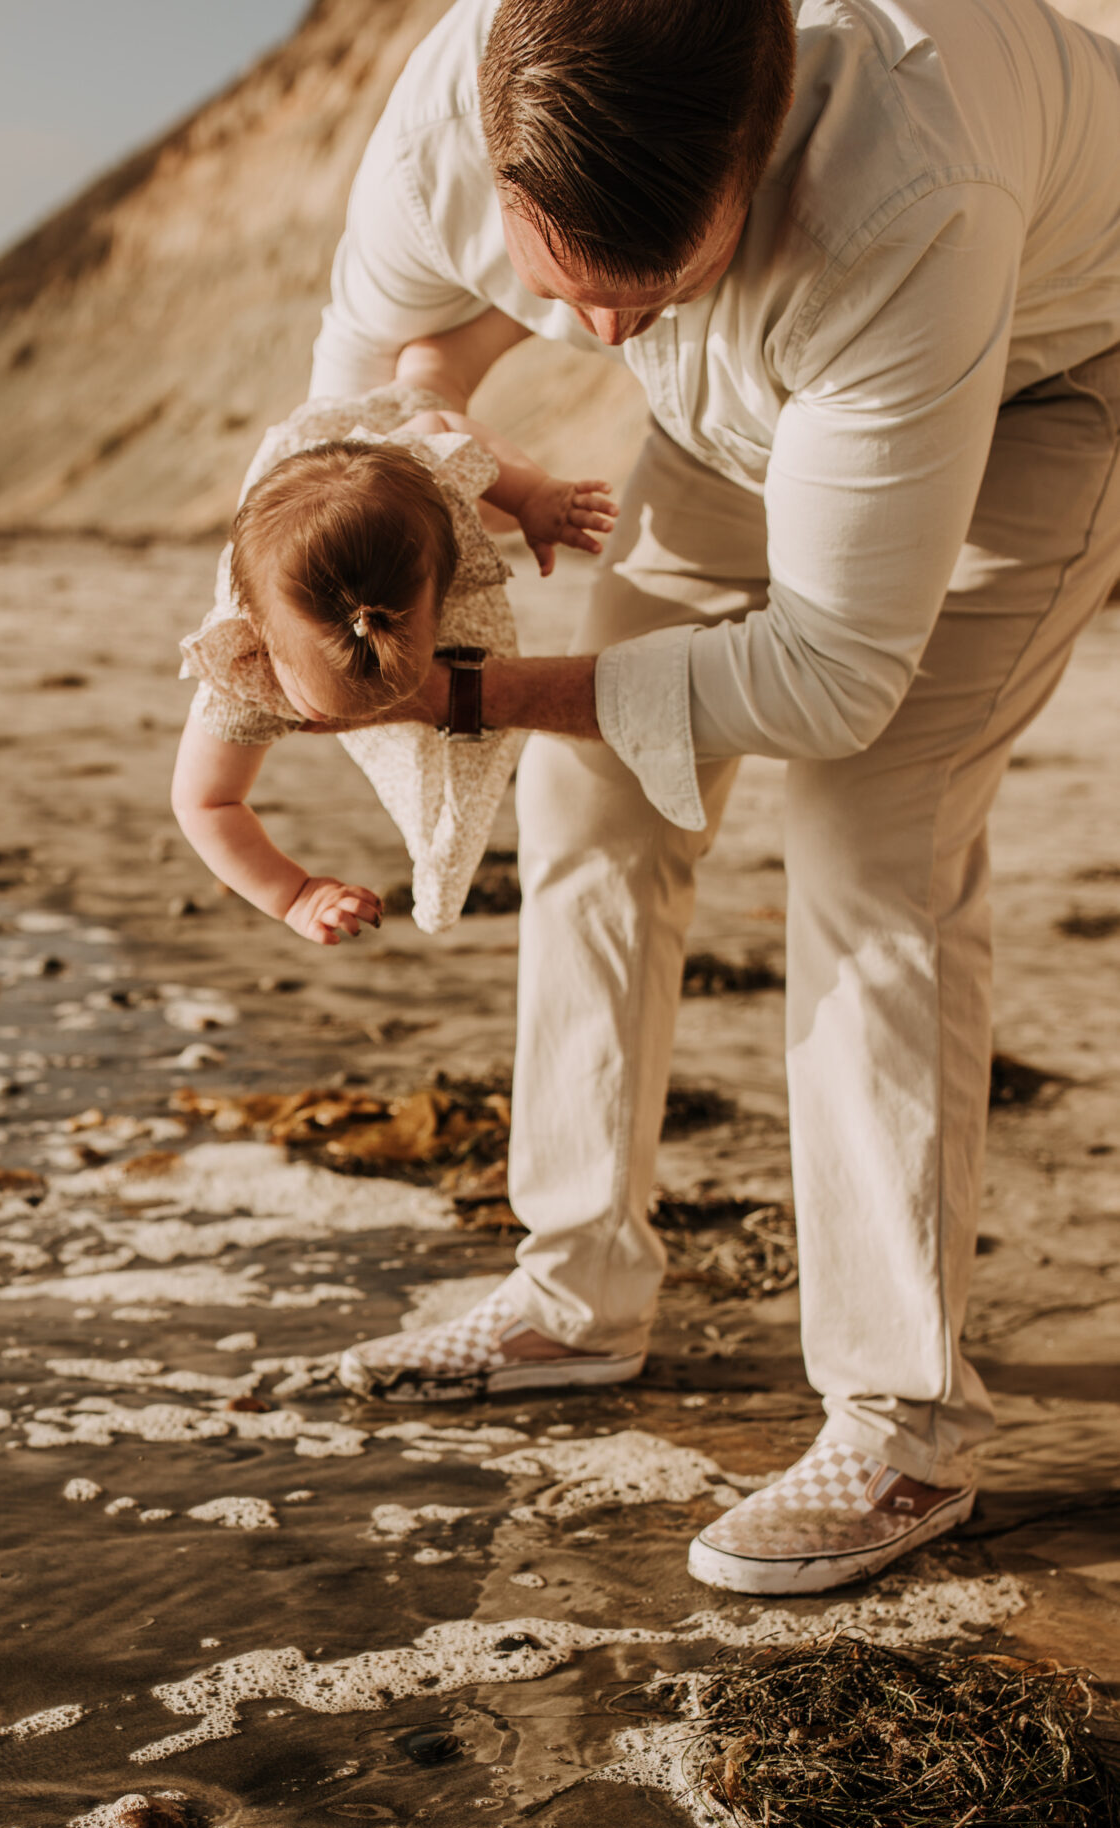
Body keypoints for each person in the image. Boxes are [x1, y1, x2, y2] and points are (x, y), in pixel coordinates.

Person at [306, 0, 1120, 1596]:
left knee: (868, 829)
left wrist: (475, 694)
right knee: (594, 803)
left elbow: (827, 680)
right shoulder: (438, 128)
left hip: (1049, 372)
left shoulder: (903, 182)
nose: (596, 343)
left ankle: (899, 1425)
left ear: (754, 159)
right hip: (748, 407)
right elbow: (334, 428)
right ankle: (573, 1291)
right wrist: (424, 430)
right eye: (560, 299)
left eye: (648, 291)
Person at [172, 383, 614, 938]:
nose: (370, 718)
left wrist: (531, 495)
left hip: (383, 467)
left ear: (442, 600)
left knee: (429, 389)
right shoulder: (242, 677)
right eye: (339, 711)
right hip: (302, 492)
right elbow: (204, 804)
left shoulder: (428, 474)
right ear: (259, 643)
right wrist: (295, 895)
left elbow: (441, 427)